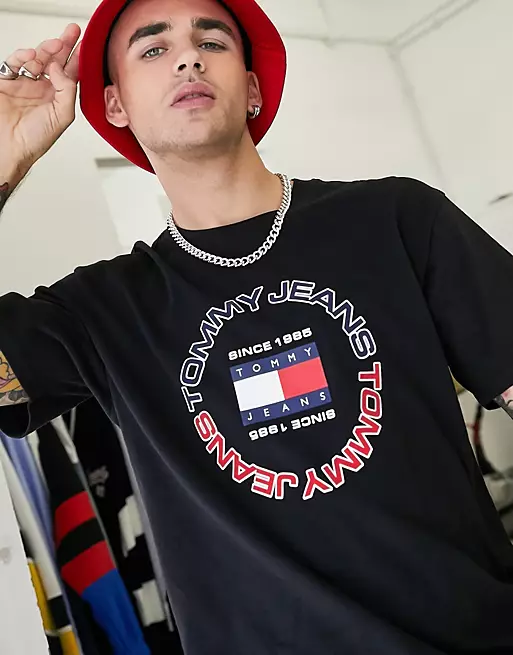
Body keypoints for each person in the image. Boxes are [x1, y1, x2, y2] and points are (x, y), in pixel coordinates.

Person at [0, 0, 513, 652]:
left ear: (251, 88)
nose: (188, 57)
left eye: (211, 41)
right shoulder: (101, 311)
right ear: (115, 104)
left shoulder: (398, 220)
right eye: (153, 49)